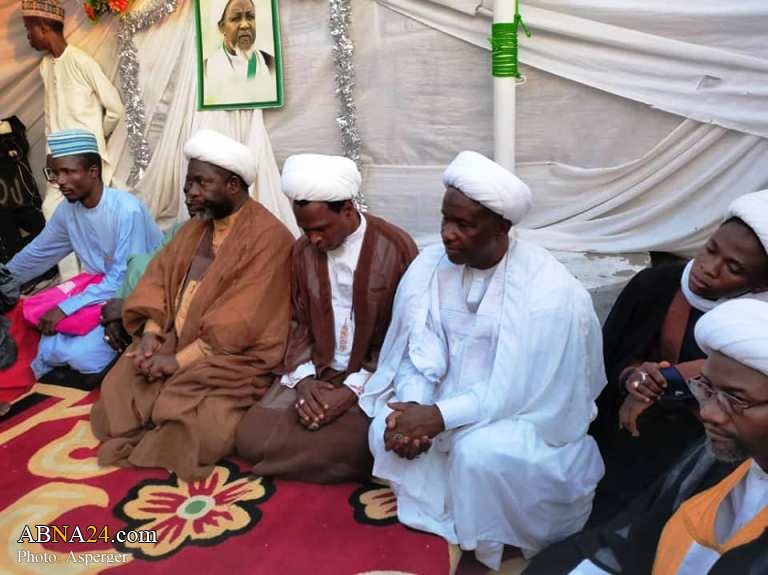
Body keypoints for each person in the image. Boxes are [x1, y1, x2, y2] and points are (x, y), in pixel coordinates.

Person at [359, 151, 606, 570]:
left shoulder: (549, 293)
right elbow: (418, 351)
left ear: (502, 228)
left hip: (524, 418)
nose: (447, 234)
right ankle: (448, 520)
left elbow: (516, 392)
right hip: (442, 404)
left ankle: (492, 545)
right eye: (445, 220)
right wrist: (413, 407)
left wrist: (438, 417)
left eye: (464, 225)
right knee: (386, 421)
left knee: (479, 453)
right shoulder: (428, 267)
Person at [90, 129, 293, 481]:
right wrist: (152, 334)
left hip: (231, 357)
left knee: (204, 426)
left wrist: (178, 362)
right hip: (176, 338)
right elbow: (158, 280)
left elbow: (242, 321)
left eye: (202, 183)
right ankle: (155, 409)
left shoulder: (270, 238)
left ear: (233, 185)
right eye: (189, 184)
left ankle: (166, 418)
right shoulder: (193, 230)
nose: (191, 193)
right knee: (121, 385)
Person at [525, 298, 768, 575]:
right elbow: (637, 539)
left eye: (736, 399)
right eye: (706, 389)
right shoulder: (712, 460)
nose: (708, 412)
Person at [236, 154, 418, 483]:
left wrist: (350, 391)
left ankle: (303, 454)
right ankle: (310, 452)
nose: (314, 239)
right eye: (305, 230)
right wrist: (305, 382)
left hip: (373, 376)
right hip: (318, 371)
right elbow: (296, 321)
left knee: (360, 444)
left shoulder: (396, 247)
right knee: (251, 436)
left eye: (321, 229)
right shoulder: (302, 252)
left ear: (347, 210)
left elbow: (405, 332)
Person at [590, 190, 768, 524]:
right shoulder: (656, 283)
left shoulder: (761, 324)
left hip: (712, 447)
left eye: (733, 268)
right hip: (632, 433)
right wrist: (635, 380)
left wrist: (668, 381)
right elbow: (612, 355)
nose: (709, 268)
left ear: (760, 284)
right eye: (711, 249)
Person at [5, 128, 161, 380]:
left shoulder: (126, 210)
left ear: (93, 171)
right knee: (49, 348)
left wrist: (67, 307)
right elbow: (39, 252)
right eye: (54, 173)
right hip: (98, 289)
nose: (59, 181)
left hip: (136, 292)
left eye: (68, 172)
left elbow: (125, 277)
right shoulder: (67, 211)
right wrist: (5, 279)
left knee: (83, 356)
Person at [21, 0, 124, 234]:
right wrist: (50, 153)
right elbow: (50, 118)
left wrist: (95, 139)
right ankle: (71, 261)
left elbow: (115, 108)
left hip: (85, 161)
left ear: (44, 28)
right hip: (59, 160)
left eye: (29, 29)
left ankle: (94, 258)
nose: (28, 36)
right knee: (51, 210)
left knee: (93, 220)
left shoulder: (80, 61)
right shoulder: (46, 66)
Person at [100, 178, 204, 354]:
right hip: (149, 320)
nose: (188, 199)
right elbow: (147, 268)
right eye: (186, 191)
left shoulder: (242, 238)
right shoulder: (181, 230)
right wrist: (117, 312)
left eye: (201, 188)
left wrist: (129, 308)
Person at [204, 0, 277, 105]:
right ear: (222, 27)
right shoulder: (206, 69)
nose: (245, 25)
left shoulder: (271, 63)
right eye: (236, 18)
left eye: (250, 17)